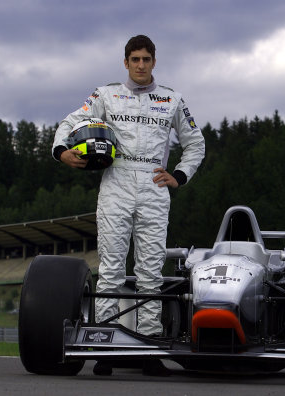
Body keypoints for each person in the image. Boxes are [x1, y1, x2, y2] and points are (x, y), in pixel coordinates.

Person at [52, 35, 205, 375]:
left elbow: (195, 142)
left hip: (154, 183)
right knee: (111, 268)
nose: (140, 65)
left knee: (151, 271)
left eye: (145, 59)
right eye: (134, 59)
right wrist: (61, 150)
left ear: (154, 62)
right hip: (116, 181)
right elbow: (70, 121)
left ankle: (147, 349)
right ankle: (106, 345)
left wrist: (179, 175)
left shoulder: (171, 99)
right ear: (125, 62)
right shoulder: (106, 94)